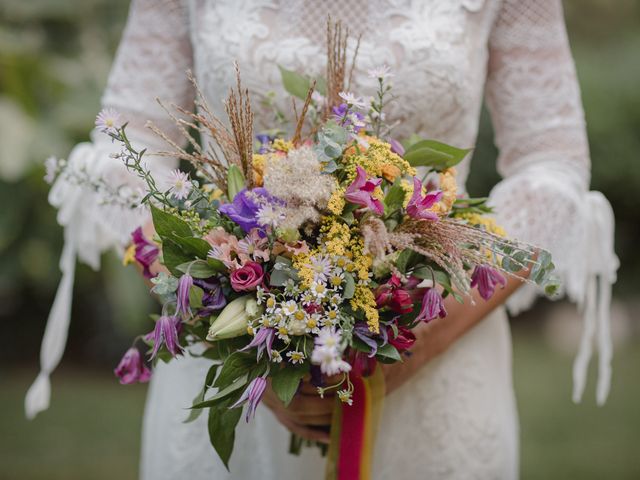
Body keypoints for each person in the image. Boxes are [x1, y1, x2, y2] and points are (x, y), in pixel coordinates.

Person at [26, 1, 618, 478]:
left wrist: (405, 348)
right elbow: (128, 147)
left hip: (435, 363)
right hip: (235, 365)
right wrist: (240, 336)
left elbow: (551, 162)